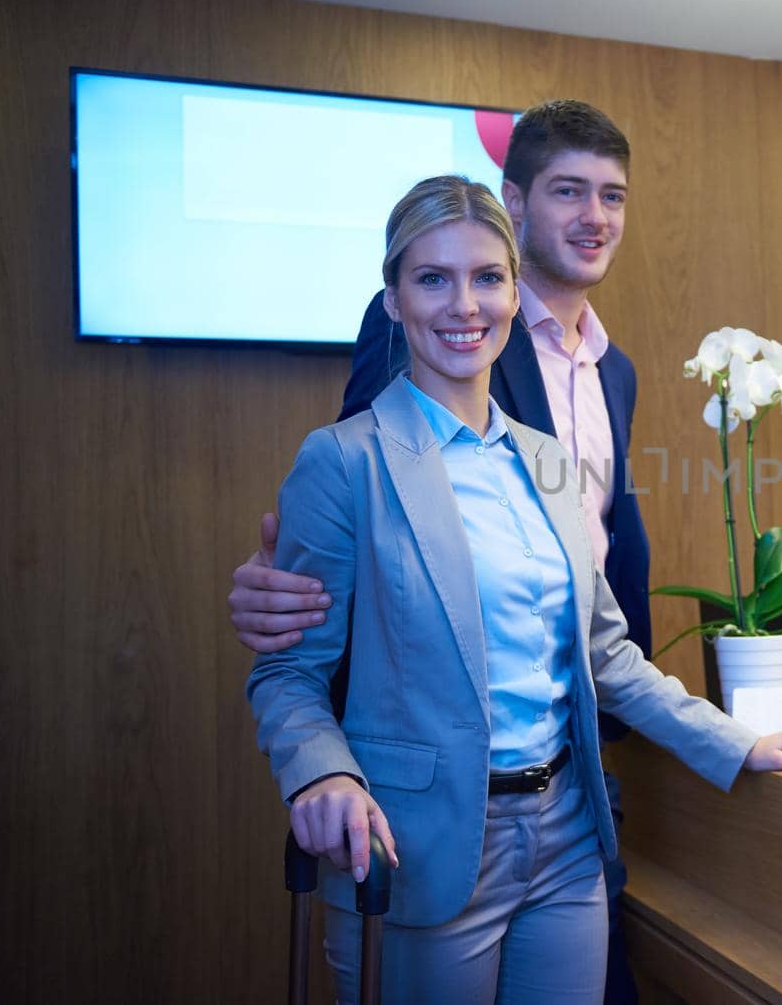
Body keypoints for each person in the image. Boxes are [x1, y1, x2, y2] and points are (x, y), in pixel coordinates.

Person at [247, 174, 782, 1003]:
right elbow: (287, 671)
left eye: (488, 277)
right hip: (421, 848)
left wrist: (734, 742)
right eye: (432, 278)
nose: (464, 305)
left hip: (565, 840)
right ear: (393, 301)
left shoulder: (550, 464)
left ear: (517, 295)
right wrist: (318, 775)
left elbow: (606, 655)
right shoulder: (344, 463)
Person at [229, 99, 654, 1000]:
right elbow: (368, 521)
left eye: (611, 194)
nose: (592, 216)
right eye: (568, 190)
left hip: (575, 785)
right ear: (517, 200)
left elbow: (608, 568)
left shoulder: (613, 370)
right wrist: (280, 599)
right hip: (428, 811)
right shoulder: (420, 350)